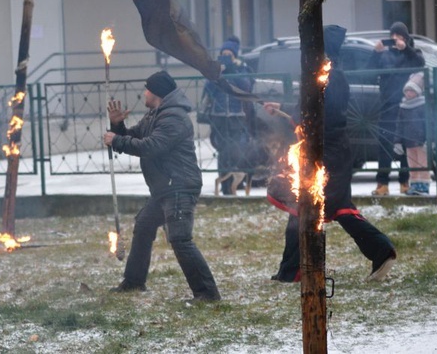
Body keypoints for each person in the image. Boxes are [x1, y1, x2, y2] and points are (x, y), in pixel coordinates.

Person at [265, 25, 397, 283]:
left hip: (329, 155)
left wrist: (296, 117)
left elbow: (322, 116)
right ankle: (292, 269)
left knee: (315, 206)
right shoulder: (325, 75)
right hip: (326, 152)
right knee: (310, 207)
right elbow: (310, 109)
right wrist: (284, 108)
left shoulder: (331, 77)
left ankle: (381, 250)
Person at [103, 71, 221, 301]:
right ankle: (134, 282)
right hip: (166, 187)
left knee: (179, 239)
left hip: (179, 185)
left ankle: (207, 293)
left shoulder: (174, 118)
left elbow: (151, 146)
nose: (144, 93)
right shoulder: (155, 115)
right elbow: (132, 137)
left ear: (156, 92)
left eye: (147, 89)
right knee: (145, 225)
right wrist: (117, 126)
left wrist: (117, 140)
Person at [367, 22, 425, 196]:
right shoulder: (384, 55)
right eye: (392, 37)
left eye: (398, 36)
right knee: (384, 145)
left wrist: (405, 48)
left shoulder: (412, 53)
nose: (394, 40)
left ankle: (405, 182)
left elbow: (420, 63)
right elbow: (369, 73)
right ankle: (382, 183)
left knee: (406, 145)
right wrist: (375, 54)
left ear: (406, 38)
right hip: (387, 106)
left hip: (407, 108)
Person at [202, 36, 254, 194]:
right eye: (223, 54)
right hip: (219, 116)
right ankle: (225, 186)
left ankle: (237, 185)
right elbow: (208, 90)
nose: (226, 57)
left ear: (235, 55)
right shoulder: (216, 69)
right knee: (223, 150)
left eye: (229, 54)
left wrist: (233, 72)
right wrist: (216, 74)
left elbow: (247, 87)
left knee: (237, 150)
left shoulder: (242, 68)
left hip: (237, 115)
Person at [395, 72, 431, 195]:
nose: (408, 93)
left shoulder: (422, 106)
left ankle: (424, 185)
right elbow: (399, 125)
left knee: (423, 164)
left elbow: (428, 123)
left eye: (411, 91)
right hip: (408, 142)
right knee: (412, 165)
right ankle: (415, 185)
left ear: (417, 92)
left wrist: (428, 139)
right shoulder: (403, 107)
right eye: (407, 91)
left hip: (421, 142)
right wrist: (398, 142)